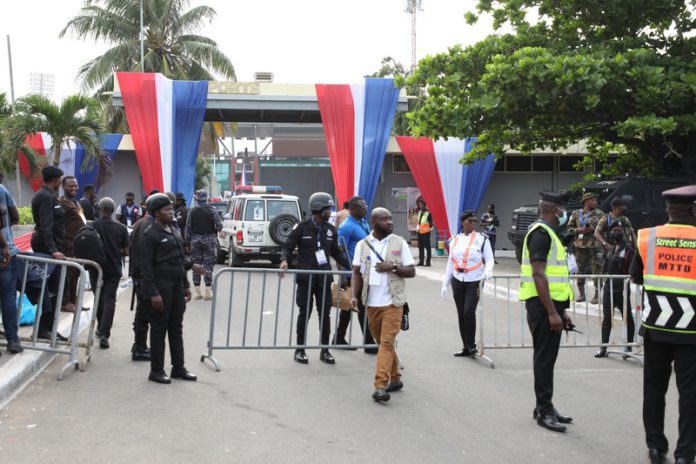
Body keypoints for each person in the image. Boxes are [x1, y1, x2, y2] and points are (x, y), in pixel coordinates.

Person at [630, 185, 696, 464]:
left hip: (656, 327)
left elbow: (636, 276)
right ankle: (685, 454)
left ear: (668, 210)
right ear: (693, 210)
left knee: (654, 390)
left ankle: (656, 448)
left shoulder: (648, 237)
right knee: (690, 394)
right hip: (691, 331)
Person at [519, 190, 574, 432]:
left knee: (547, 360)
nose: (566, 213)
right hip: (542, 308)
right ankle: (544, 410)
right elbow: (538, 274)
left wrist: (561, 310)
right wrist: (552, 312)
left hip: (550, 306)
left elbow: (555, 277)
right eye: (564, 208)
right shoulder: (541, 234)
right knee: (544, 360)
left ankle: (545, 406)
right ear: (556, 210)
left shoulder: (548, 232)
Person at [350, 207, 415, 402]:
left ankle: (380, 385)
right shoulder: (363, 245)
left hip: (393, 303)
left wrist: (392, 267)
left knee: (386, 342)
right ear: (374, 222)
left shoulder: (399, 243)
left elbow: (411, 271)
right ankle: (395, 378)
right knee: (382, 343)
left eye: (390, 218)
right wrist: (354, 296)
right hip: (371, 303)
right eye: (385, 219)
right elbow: (356, 272)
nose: (390, 222)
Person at [280, 192, 351, 365]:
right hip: (305, 278)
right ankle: (300, 350)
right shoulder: (301, 227)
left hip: (324, 278)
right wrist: (284, 261)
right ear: (319, 209)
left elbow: (336, 252)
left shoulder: (330, 230)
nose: (330, 212)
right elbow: (288, 247)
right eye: (328, 209)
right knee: (304, 313)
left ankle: (325, 351)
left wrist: (353, 267)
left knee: (325, 314)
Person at [138, 193, 196, 384]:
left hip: (176, 284)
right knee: (159, 328)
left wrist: (186, 285)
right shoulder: (149, 234)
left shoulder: (173, 231)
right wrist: (153, 293)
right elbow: (145, 267)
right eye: (166, 209)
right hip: (160, 286)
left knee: (176, 327)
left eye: (171, 209)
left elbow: (179, 260)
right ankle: (156, 370)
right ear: (156, 212)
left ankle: (178, 368)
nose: (171, 212)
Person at [441, 210, 494, 357]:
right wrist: (445, 283)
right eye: (470, 221)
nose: (473, 224)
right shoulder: (454, 240)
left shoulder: (482, 239)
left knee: (469, 311)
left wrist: (488, 271)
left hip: (475, 280)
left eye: (474, 221)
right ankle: (466, 346)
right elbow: (450, 262)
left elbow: (489, 259)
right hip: (458, 280)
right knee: (461, 314)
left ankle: (472, 346)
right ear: (463, 222)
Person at [30, 165, 68, 340]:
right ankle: (43, 329)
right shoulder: (45, 197)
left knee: (55, 288)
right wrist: (53, 251)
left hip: (52, 246)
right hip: (47, 248)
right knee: (51, 289)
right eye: (60, 179)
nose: (61, 182)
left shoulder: (48, 195)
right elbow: (46, 227)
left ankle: (49, 328)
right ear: (55, 180)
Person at [335, 196, 376, 352]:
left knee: (350, 306)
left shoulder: (363, 223)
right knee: (360, 305)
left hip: (364, 272)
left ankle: (338, 337)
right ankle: (368, 342)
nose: (365, 209)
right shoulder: (346, 227)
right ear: (352, 209)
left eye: (365, 206)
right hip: (353, 272)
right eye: (361, 207)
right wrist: (345, 274)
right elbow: (339, 252)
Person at [91, 198, 129, 349]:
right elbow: (126, 251)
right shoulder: (121, 228)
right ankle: (105, 333)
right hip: (113, 268)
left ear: (100, 209)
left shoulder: (93, 226)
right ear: (113, 211)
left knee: (98, 298)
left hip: (95, 268)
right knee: (109, 299)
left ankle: (100, 328)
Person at [595, 221, 635, 358]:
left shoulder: (629, 250)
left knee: (627, 317)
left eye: (619, 229)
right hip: (609, 288)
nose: (616, 232)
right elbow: (605, 268)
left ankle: (628, 348)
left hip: (622, 289)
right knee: (607, 319)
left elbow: (632, 271)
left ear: (624, 232)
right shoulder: (610, 249)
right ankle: (603, 347)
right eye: (614, 230)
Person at [0, 174, 23, 354]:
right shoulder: (2, 190)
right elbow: (14, 215)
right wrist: (5, 243)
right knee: (8, 297)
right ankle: (12, 340)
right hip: (4, 253)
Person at [568, 192, 604, 303]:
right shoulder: (576, 214)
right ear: (586, 201)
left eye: (596, 200)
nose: (595, 202)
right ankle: (581, 294)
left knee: (597, 270)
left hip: (595, 246)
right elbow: (569, 230)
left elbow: (604, 229)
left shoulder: (600, 214)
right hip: (580, 246)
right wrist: (578, 230)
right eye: (593, 200)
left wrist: (594, 229)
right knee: (580, 270)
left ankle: (597, 295)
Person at [185, 190, 222, 300]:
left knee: (196, 264)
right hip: (209, 240)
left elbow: (188, 228)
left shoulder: (191, 212)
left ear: (196, 199)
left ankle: (197, 292)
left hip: (195, 241)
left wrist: (187, 243)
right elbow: (219, 226)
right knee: (208, 265)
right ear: (206, 198)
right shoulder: (212, 210)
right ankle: (208, 291)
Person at [58, 176, 87, 313]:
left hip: (78, 243)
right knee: (68, 273)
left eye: (75, 185)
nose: (74, 188)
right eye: (70, 186)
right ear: (63, 187)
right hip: (67, 243)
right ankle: (65, 302)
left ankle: (73, 300)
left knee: (76, 273)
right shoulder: (62, 202)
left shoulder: (76, 202)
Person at [416, 197, 433, 266]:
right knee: (420, 247)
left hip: (426, 233)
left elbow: (431, 224)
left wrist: (427, 228)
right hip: (419, 232)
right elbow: (419, 222)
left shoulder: (428, 213)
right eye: (420, 204)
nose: (421, 205)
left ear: (425, 205)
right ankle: (421, 261)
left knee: (427, 248)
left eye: (422, 204)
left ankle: (428, 262)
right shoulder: (419, 212)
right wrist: (418, 227)